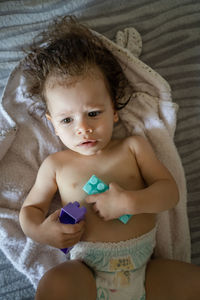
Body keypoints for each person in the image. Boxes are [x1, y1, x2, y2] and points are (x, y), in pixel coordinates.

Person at [19, 16, 200, 300]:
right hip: (87, 272)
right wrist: (43, 232)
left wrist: (132, 201)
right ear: (52, 123)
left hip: (146, 271)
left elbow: (169, 193)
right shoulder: (56, 165)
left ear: (113, 110)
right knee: (54, 285)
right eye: (67, 120)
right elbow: (29, 211)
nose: (83, 128)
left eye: (93, 113)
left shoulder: (132, 147)